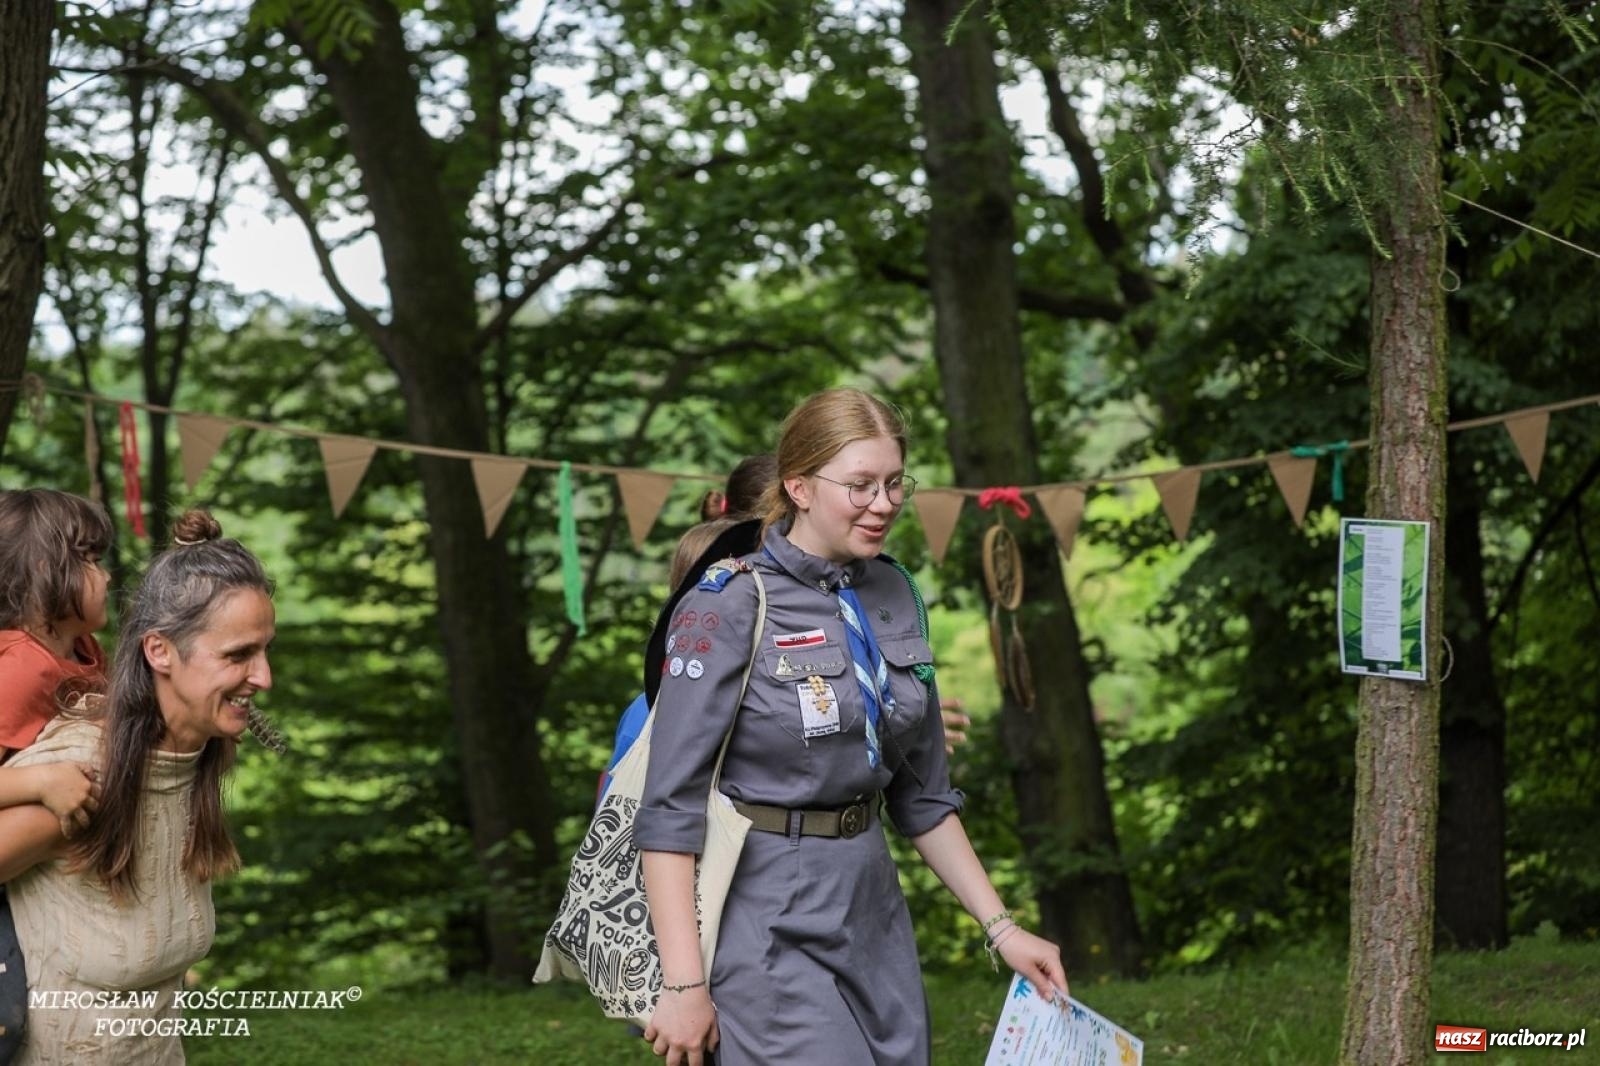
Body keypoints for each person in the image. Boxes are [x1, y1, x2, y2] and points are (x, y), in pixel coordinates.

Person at [637, 389, 1066, 1066]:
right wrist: (684, 983)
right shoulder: (729, 601)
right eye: (860, 485)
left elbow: (923, 797)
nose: (884, 502)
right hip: (766, 905)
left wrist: (1002, 927)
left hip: (871, 904)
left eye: (895, 482)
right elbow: (668, 810)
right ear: (799, 486)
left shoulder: (895, 591)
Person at [0, 510, 275, 1065]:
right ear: (159, 652)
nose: (264, 676)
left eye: (265, 649)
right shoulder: (80, 781)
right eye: (239, 655)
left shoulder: (191, 753)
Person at [0, 490, 112, 1065]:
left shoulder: (84, 649)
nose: (107, 573)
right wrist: (39, 782)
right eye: (92, 559)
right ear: (48, 569)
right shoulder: (17, 669)